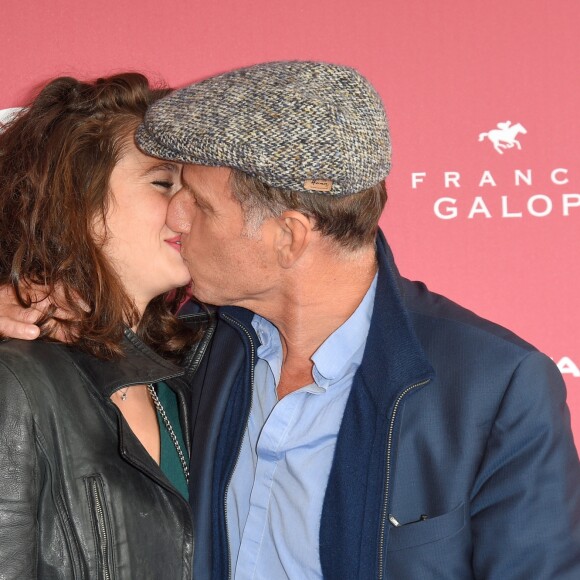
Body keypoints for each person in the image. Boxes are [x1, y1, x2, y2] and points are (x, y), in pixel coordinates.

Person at [3, 62, 580, 579]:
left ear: (289, 236)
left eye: (198, 201)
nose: (178, 215)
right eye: (164, 185)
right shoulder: (201, 346)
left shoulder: (495, 385)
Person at [0, 73, 209, 578]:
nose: (188, 209)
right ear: (77, 200)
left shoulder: (200, 369)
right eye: (162, 183)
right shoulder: (16, 382)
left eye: (195, 189)